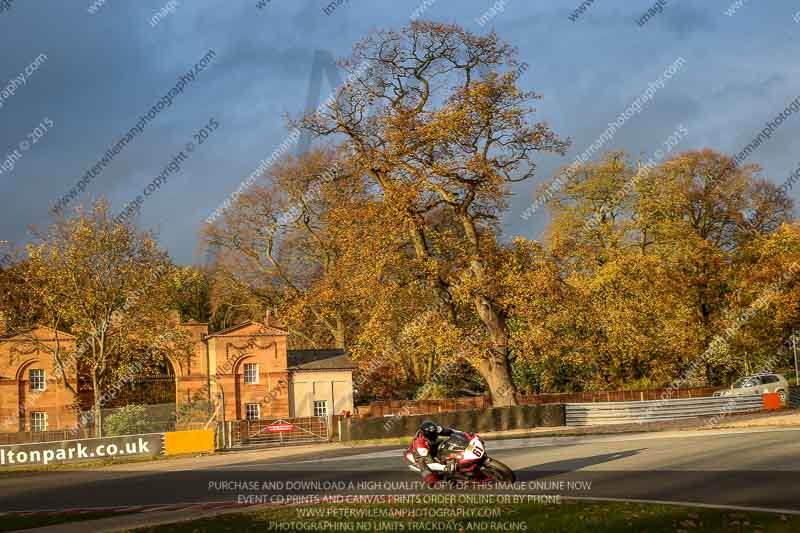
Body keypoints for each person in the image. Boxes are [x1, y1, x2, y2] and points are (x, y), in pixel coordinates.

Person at [411, 420, 458, 486]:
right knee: (430, 476)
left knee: (446, 442)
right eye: (431, 435)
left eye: (434, 433)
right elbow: (430, 463)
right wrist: (445, 468)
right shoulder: (420, 444)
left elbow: (451, 431)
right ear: (425, 435)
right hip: (420, 454)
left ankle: (449, 460)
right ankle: (442, 477)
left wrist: (465, 434)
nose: (434, 435)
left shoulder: (436, 429)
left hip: (430, 444)